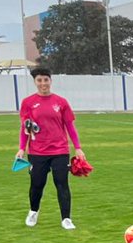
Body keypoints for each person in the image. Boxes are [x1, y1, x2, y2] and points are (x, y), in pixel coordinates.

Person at [17, 67, 86, 230]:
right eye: (39, 80)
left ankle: (66, 219)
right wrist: (21, 148)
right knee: (37, 185)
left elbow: (70, 126)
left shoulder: (61, 102)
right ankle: (33, 212)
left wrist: (78, 148)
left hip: (60, 151)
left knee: (62, 184)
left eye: (46, 80)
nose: (43, 83)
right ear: (35, 82)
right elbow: (25, 127)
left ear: (50, 81)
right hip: (37, 152)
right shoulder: (28, 103)